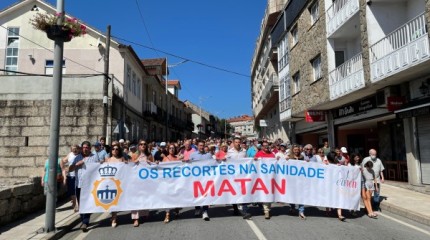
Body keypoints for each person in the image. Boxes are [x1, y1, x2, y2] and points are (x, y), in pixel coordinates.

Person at [69, 141, 100, 232]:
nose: (85, 149)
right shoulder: (77, 157)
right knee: (81, 204)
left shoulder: (94, 156)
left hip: (90, 185)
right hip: (79, 184)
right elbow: (70, 169)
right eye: (83, 147)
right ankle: (83, 220)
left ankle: (85, 222)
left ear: (90, 148)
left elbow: (99, 167)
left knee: (88, 203)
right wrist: (76, 165)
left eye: (87, 147)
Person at [226, 137, 252, 220]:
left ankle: (244, 210)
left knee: (243, 192)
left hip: (242, 175)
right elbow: (226, 162)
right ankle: (235, 208)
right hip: (233, 175)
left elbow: (248, 161)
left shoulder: (244, 151)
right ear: (233, 143)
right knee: (234, 192)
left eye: (238, 142)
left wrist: (254, 160)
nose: (237, 143)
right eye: (236, 142)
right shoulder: (229, 152)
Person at [189, 140, 213, 221]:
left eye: (203, 145)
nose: (201, 147)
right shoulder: (193, 155)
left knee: (205, 194)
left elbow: (214, 164)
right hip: (196, 179)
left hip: (206, 179)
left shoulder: (209, 155)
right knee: (197, 194)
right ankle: (197, 208)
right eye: (200, 145)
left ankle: (205, 211)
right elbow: (188, 165)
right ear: (197, 146)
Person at [130, 140, 152, 227]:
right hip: (136, 181)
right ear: (138, 146)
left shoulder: (149, 155)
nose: (143, 145)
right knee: (135, 199)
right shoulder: (134, 155)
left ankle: (144, 213)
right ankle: (135, 219)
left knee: (144, 197)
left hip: (145, 181)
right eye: (141, 144)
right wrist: (133, 163)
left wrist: (154, 162)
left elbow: (153, 166)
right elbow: (129, 167)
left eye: (144, 144)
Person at [104, 145, 126, 227]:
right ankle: (113, 216)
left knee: (117, 201)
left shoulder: (122, 159)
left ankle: (114, 218)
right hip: (110, 182)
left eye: (117, 149)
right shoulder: (108, 159)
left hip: (120, 182)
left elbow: (127, 168)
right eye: (113, 149)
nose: (115, 150)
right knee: (112, 201)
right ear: (111, 150)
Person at [254, 141, 275, 219]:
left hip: (271, 177)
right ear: (262, 147)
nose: (266, 147)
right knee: (265, 193)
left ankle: (267, 209)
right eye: (264, 146)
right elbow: (254, 162)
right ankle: (266, 211)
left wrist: (278, 159)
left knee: (270, 193)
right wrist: (255, 159)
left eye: (267, 146)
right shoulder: (259, 154)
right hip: (262, 177)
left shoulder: (272, 154)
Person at [162, 144, 181, 223]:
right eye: (170, 148)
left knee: (176, 196)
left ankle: (176, 208)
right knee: (168, 198)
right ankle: (167, 214)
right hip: (168, 182)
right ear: (168, 149)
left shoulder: (177, 158)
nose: (172, 149)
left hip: (176, 181)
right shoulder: (165, 158)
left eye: (173, 148)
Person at [326, 151, 346, 221]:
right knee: (329, 197)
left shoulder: (338, 165)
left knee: (339, 197)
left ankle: (340, 215)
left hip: (337, 184)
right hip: (328, 184)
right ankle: (328, 210)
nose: (336, 157)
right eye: (335, 156)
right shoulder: (326, 164)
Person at [60, 144, 80, 212]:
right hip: (70, 176)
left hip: (79, 176)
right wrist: (64, 169)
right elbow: (62, 161)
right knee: (72, 192)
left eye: (76, 148)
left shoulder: (80, 155)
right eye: (73, 148)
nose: (74, 150)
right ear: (71, 149)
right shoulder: (70, 154)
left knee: (77, 191)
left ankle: (78, 205)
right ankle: (75, 205)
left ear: (78, 149)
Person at [289, 144, 306, 220]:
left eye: (297, 150)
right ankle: (292, 207)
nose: (296, 151)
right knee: (292, 195)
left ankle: (301, 211)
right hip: (292, 180)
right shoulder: (289, 157)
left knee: (301, 195)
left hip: (301, 180)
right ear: (292, 150)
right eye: (295, 150)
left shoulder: (302, 157)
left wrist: (307, 163)